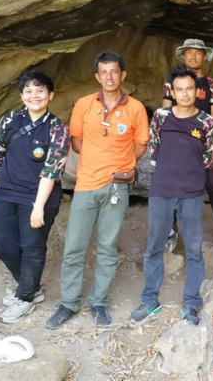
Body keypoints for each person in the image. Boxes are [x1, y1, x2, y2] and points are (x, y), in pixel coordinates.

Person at [46, 51, 149, 329]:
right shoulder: (83, 105)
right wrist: (98, 158)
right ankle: (68, 303)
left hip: (118, 186)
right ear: (97, 76)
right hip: (87, 184)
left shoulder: (135, 108)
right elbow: (76, 142)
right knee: (74, 246)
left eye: (114, 71)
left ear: (123, 75)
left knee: (107, 247)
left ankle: (99, 302)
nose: (109, 77)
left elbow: (140, 145)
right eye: (103, 72)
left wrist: (121, 161)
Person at [130, 65, 213, 326]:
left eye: (189, 89)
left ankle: (191, 302)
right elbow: (154, 151)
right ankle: (149, 301)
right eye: (179, 89)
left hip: (191, 193)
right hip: (162, 191)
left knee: (193, 249)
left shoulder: (206, 122)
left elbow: (209, 156)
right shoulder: (160, 116)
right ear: (172, 92)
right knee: (154, 247)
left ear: (196, 91)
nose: (185, 94)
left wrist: (189, 175)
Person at [0, 71, 70, 324]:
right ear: (22, 96)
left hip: (39, 196)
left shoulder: (57, 129)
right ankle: (31, 287)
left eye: (40, 90)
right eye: (29, 91)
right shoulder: (11, 119)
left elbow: (51, 170)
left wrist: (38, 206)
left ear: (50, 95)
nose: (34, 95)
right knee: (3, 245)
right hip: (6, 192)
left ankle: (25, 297)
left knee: (31, 247)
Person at [162, 39, 213, 246]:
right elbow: (165, 113)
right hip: (178, 145)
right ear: (183, 56)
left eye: (198, 53)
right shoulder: (172, 82)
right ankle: (171, 229)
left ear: (204, 57)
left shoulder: (212, 85)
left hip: (204, 144)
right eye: (190, 53)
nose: (194, 56)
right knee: (174, 186)